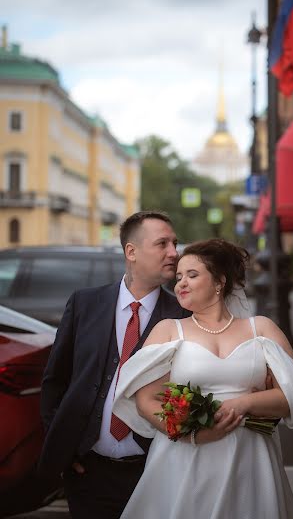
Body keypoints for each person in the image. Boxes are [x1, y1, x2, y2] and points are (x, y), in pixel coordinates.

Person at [113, 238, 293, 519]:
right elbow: (146, 401)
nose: (180, 283)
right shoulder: (169, 330)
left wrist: (240, 405)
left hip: (250, 455)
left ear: (219, 281)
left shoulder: (261, 329)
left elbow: (292, 397)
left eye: (192, 275)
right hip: (185, 456)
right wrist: (193, 434)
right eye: (179, 276)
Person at [38, 211, 191, 519]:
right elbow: (56, 380)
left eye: (174, 244)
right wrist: (66, 448)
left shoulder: (183, 315)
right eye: (162, 244)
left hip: (156, 472)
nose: (174, 253)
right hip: (87, 473)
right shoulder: (84, 303)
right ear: (131, 252)